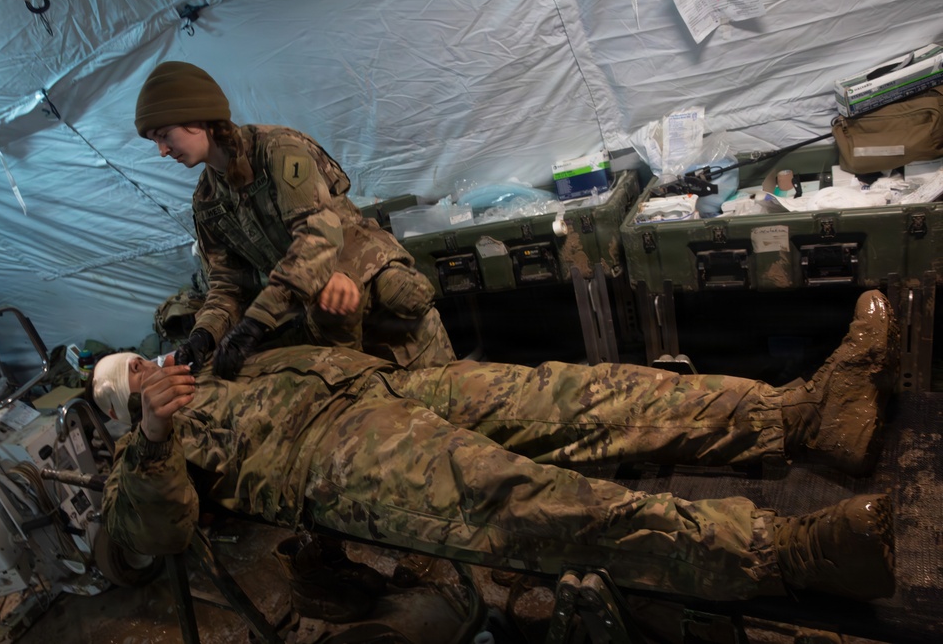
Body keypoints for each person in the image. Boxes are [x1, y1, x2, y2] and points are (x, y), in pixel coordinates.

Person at [95, 290, 898, 604]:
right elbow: (142, 543)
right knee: (526, 500)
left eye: (143, 360)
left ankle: (799, 416)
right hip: (330, 456)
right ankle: (784, 551)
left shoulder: (219, 361)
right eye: (132, 380)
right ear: (121, 407)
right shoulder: (148, 451)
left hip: (381, 388)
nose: (152, 370)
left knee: (581, 392)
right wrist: (157, 435)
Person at [133, 61, 455, 377]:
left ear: (196, 116)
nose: (162, 150)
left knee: (454, 400)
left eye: (164, 135)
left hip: (383, 303)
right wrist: (204, 335)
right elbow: (228, 285)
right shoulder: (208, 199)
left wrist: (258, 320)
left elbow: (317, 237)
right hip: (330, 319)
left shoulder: (278, 150)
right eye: (154, 141)